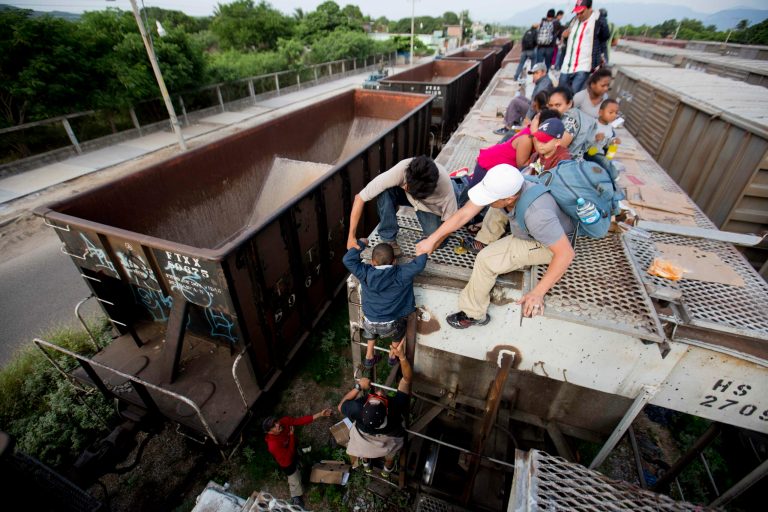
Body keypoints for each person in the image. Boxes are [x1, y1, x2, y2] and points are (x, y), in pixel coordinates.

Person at [415, 165, 575, 329]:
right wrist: (432, 239)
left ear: (510, 198)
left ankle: (473, 314)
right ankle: (485, 239)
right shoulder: (516, 185)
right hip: (534, 223)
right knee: (494, 208)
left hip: (546, 244)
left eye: (490, 197)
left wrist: (537, 292)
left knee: (485, 259)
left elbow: (565, 254)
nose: (485, 201)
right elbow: (465, 213)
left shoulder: (537, 216)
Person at [464, 114, 571, 254]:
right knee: (501, 197)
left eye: (545, 141)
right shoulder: (538, 155)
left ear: (557, 142)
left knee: (505, 200)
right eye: (538, 140)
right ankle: (486, 237)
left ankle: (488, 238)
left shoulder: (563, 161)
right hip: (533, 193)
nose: (539, 144)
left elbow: (559, 192)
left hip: (547, 204)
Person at [347, 156, 457, 255]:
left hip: (430, 208)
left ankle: (461, 184)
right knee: (384, 191)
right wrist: (351, 237)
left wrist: (432, 242)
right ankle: (388, 239)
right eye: (406, 186)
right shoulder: (402, 169)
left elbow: (453, 222)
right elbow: (359, 198)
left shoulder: (445, 189)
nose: (404, 187)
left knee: (439, 242)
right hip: (408, 197)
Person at [343, 240, 427, 368]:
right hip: (391, 326)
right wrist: (422, 246)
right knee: (400, 329)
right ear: (394, 261)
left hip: (369, 323)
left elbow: (347, 260)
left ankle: (369, 357)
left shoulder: (365, 273)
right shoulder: (402, 273)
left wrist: (361, 243)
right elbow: (419, 264)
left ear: (372, 262)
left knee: (372, 324)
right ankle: (393, 356)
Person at [340, 342, 412, 476]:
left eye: (374, 397)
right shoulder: (395, 408)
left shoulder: (357, 409)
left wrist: (358, 387)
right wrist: (402, 357)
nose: (378, 393)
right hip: (388, 440)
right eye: (381, 399)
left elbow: (340, 406)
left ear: (364, 408)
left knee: (364, 448)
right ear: (386, 412)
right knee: (391, 453)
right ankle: (387, 469)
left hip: (363, 439)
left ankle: (366, 462)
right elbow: (407, 379)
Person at [263, 408, 333, 507]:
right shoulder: (273, 445)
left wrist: (320, 414)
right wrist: (291, 436)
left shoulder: (284, 422)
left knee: (299, 459)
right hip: (286, 462)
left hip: (293, 448)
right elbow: (288, 456)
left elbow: (300, 421)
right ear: (269, 432)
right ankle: (296, 498)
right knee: (294, 479)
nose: (278, 425)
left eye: (276, 422)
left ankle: (302, 465)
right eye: (273, 426)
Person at [559, 0, 609, 93]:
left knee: (573, 95)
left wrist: (600, 59)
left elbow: (605, 37)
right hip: (567, 65)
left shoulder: (597, 21)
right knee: (560, 94)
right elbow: (569, 39)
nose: (578, 15)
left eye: (581, 12)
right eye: (576, 13)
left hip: (583, 66)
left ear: (590, 9)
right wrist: (564, 36)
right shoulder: (573, 21)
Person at [547, 86, 597, 160]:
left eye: (558, 105)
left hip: (567, 164)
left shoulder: (571, 120)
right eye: (551, 106)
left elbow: (557, 147)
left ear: (569, 103)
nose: (553, 109)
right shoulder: (563, 116)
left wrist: (534, 128)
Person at [585, 98, 621, 178]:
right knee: (604, 161)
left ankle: (609, 164)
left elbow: (606, 145)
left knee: (613, 147)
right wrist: (595, 138)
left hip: (599, 152)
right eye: (611, 112)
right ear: (600, 112)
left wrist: (612, 141)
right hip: (589, 151)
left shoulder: (609, 127)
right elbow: (583, 139)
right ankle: (614, 175)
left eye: (616, 113)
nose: (614, 115)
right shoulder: (593, 124)